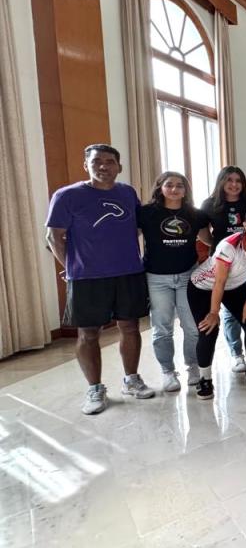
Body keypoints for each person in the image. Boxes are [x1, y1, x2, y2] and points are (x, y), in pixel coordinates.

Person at [45, 144, 155, 414]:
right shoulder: (67, 196)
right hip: (87, 278)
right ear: (86, 165)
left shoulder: (128, 193)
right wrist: (70, 266)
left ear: (119, 166)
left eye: (109, 161)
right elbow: (53, 237)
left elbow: (137, 228)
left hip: (128, 272)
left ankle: (131, 379)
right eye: (97, 162)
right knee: (88, 333)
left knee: (130, 327)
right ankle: (95, 388)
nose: (103, 166)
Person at [188, 208, 246, 399]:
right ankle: (205, 379)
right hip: (203, 288)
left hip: (232, 286)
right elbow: (219, 282)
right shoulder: (229, 246)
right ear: (245, 225)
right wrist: (213, 312)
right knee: (209, 330)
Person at [137, 171, 209, 392]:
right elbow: (128, 238)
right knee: (162, 328)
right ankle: (168, 371)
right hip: (157, 278)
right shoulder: (147, 213)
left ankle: (193, 367)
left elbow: (208, 239)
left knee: (193, 328)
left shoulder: (195, 215)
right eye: (170, 185)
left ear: (186, 190)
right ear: (160, 187)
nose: (175, 189)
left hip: (188, 275)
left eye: (180, 185)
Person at [201, 166, 246, 373]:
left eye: (238, 180)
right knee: (229, 313)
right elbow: (204, 233)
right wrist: (217, 246)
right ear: (221, 183)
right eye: (229, 180)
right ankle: (236, 353)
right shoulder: (210, 205)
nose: (234, 184)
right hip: (224, 266)